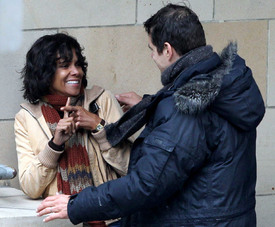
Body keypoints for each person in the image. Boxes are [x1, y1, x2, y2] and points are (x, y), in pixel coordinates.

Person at [37, 4, 265, 226]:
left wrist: (75, 205)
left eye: (152, 50)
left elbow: (144, 185)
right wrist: (155, 106)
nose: (152, 58)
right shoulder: (225, 86)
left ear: (167, 49)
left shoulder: (185, 107)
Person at [14, 33, 131, 227]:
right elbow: (30, 187)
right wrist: (55, 145)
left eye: (78, 64)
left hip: (112, 221)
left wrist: (99, 127)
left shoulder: (102, 101)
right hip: (61, 223)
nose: (76, 71)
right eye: (65, 65)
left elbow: (131, 168)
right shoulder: (27, 117)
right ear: (45, 71)